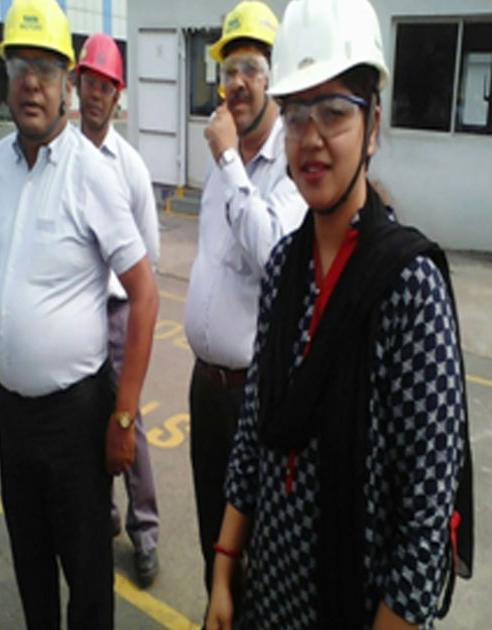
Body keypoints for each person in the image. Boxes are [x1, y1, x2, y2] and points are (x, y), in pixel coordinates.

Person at [205, 1, 473, 629]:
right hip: (269, 604)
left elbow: (426, 520)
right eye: (296, 115)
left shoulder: (410, 288)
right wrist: (223, 569)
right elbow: (254, 433)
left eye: (334, 112)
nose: (311, 138)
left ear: (372, 126)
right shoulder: (283, 269)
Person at [0, 1, 158, 629]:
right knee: (30, 562)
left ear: (66, 86)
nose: (32, 83)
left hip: (75, 418)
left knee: (86, 574)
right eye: (20, 67)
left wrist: (124, 414)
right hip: (11, 413)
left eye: (47, 70)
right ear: (6, 76)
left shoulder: (93, 173)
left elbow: (145, 292)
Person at [183, 0, 307, 619]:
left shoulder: (289, 166)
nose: (236, 83)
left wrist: (230, 159)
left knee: (254, 555)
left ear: (274, 79)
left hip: (254, 400)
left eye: (251, 68)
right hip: (206, 389)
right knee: (213, 539)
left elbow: (272, 255)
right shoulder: (222, 165)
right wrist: (227, 162)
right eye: (228, 69)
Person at [76, 32, 161, 588]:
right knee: (84, 419)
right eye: (89, 83)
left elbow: (148, 255)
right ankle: (102, 517)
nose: (95, 95)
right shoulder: (60, 155)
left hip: (116, 312)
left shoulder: (128, 167)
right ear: (76, 85)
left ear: (118, 96)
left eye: (105, 87)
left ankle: (145, 532)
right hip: (73, 312)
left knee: (128, 423)